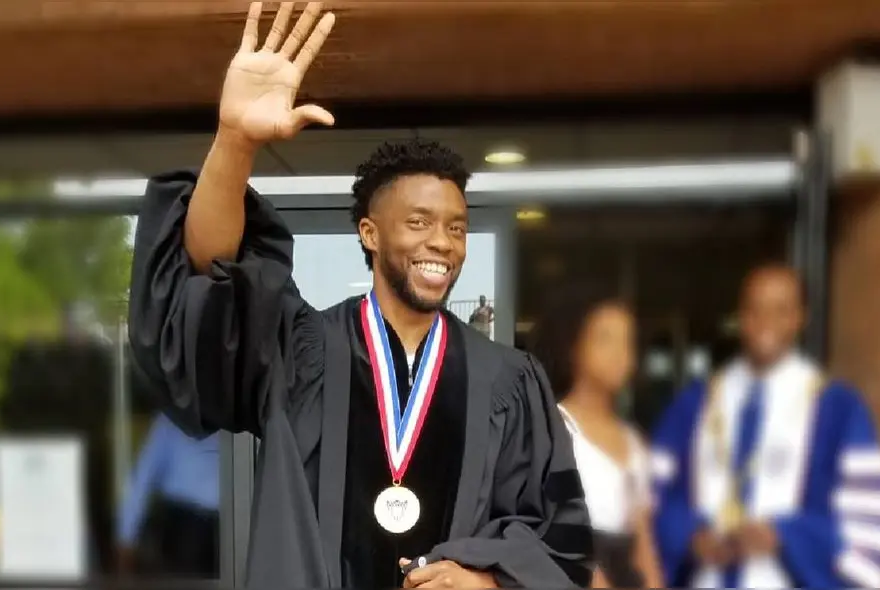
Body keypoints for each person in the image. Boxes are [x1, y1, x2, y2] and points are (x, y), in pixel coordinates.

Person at [127, 3, 593, 588]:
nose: (443, 244)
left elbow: (557, 533)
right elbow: (211, 275)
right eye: (419, 222)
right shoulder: (298, 350)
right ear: (369, 234)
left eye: (456, 227)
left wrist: (489, 581)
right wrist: (234, 143)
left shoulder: (508, 380)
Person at [651, 264, 880, 588]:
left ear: (800, 318)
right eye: (755, 309)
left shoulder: (837, 409)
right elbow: (651, 502)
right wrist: (690, 535)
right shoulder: (695, 404)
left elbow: (869, 527)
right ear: (740, 317)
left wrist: (784, 535)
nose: (765, 322)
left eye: (780, 310)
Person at [531, 292, 664, 588]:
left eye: (626, 342)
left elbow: (642, 535)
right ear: (574, 346)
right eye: (605, 339)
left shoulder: (632, 439)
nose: (619, 353)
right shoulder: (556, 428)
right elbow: (557, 532)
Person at [116, 413, 220, 578]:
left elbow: (143, 477)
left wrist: (126, 538)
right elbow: (143, 478)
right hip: (200, 526)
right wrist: (126, 537)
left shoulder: (170, 421)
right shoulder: (229, 415)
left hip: (188, 528)